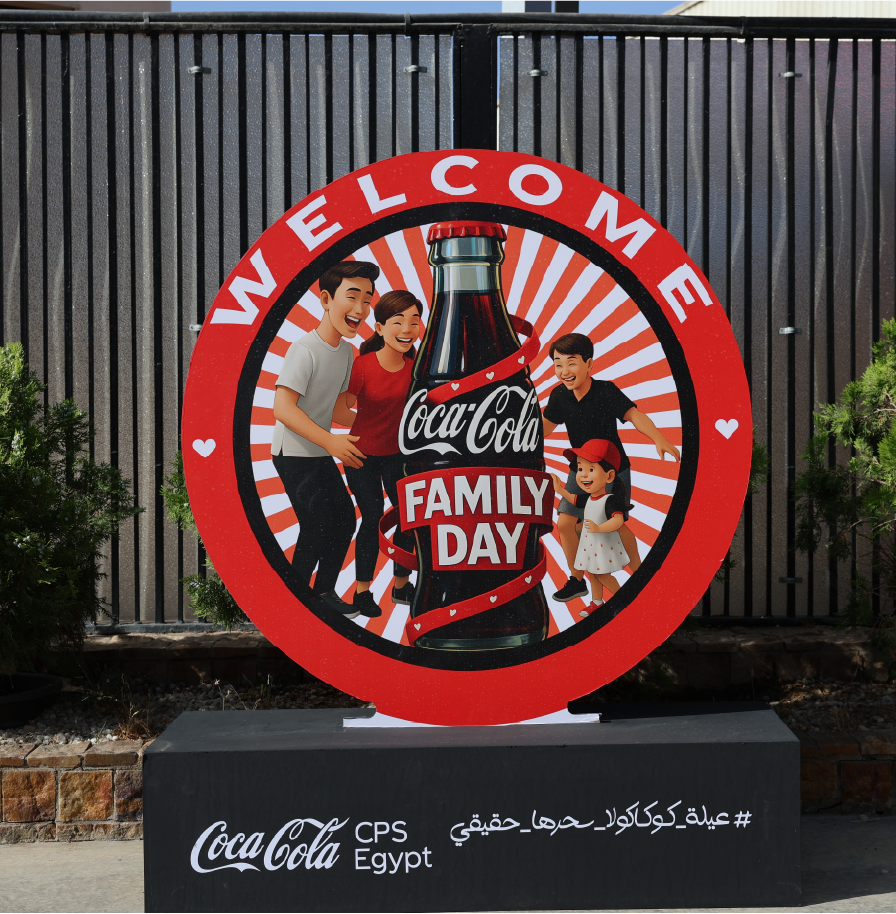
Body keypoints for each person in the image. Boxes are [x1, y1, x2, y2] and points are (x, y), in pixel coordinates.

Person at [271, 260, 378, 620]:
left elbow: (339, 409)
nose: (361, 308)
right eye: (353, 296)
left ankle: (322, 593)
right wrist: (332, 442)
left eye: (367, 300)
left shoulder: (347, 352)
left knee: (344, 520)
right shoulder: (304, 349)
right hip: (292, 452)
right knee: (316, 526)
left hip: (318, 451)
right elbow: (283, 408)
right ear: (326, 299)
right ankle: (295, 599)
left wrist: (382, 424)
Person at [543, 332, 680, 604]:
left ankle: (640, 573)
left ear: (589, 364)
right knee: (566, 523)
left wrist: (659, 438)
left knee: (613, 525)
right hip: (580, 470)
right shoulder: (559, 395)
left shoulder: (605, 391)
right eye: (558, 364)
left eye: (571, 363)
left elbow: (634, 415)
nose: (564, 371)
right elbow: (544, 427)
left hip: (610, 471)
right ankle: (576, 580)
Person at [338, 290, 422, 618]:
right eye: (398, 321)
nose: (407, 329)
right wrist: (367, 424)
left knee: (407, 515)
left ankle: (401, 585)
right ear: (379, 328)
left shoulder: (416, 370)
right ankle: (362, 592)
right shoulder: (362, 366)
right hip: (362, 456)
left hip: (399, 456)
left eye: (414, 321)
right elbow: (338, 409)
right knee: (372, 516)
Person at [551, 440, 629, 619]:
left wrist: (599, 528)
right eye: (580, 469)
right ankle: (597, 602)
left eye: (591, 469)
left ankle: (624, 600)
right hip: (591, 545)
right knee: (593, 573)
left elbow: (617, 520)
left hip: (603, 545)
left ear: (609, 476)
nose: (583, 475)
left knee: (602, 575)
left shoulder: (609, 500)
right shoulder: (588, 498)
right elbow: (573, 499)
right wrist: (559, 489)